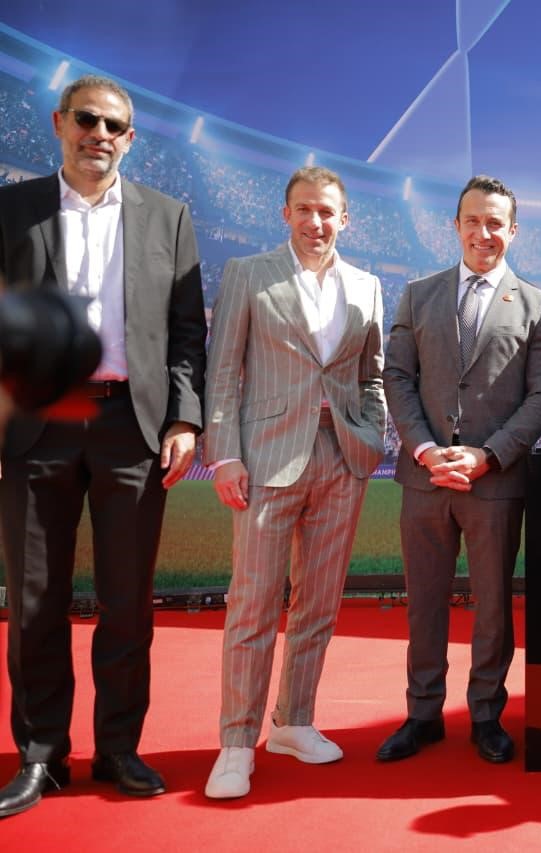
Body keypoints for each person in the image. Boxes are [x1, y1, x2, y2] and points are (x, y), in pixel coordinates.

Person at [0, 75, 206, 817]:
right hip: (35, 422)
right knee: (34, 601)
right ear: (60, 123)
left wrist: (184, 419)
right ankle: (42, 755)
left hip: (132, 427)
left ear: (130, 138)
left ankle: (118, 747)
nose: (101, 135)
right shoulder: (11, 209)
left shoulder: (168, 217)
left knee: (127, 603)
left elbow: (186, 331)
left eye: (115, 126)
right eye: (87, 120)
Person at [199, 166, 386, 799]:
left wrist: (370, 438)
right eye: (304, 209)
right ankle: (235, 742)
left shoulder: (367, 285)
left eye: (327, 211)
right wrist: (225, 455)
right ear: (286, 214)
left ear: (344, 219)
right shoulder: (249, 274)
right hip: (266, 459)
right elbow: (223, 370)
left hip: (342, 460)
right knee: (252, 604)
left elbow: (372, 375)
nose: (316, 221)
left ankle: (294, 723)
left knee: (318, 605)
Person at [379, 175, 541, 765]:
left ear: (513, 230)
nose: (484, 233)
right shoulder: (418, 295)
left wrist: (488, 455)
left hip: (496, 482)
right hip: (425, 477)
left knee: (492, 608)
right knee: (424, 603)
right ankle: (422, 714)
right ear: (455, 225)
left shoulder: (539, 305)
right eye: (473, 221)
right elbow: (396, 377)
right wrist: (424, 449)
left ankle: (486, 714)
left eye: (495, 223)